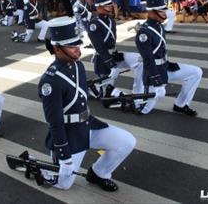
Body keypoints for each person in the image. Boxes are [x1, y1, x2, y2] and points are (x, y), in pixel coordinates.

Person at [38, 16, 136, 191]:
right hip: (68, 136)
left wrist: (107, 91)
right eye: (71, 45)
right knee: (64, 184)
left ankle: (99, 173)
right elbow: (55, 122)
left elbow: (81, 94)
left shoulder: (78, 66)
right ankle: (40, 168)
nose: (78, 49)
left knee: (127, 141)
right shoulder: (50, 82)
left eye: (77, 43)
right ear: (57, 48)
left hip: (87, 125)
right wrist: (64, 155)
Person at [135, 0, 202, 116]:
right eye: (161, 11)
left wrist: (168, 64)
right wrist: (157, 82)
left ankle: (180, 105)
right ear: (151, 12)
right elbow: (148, 60)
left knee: (196, 72)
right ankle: (119, 97)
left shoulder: (159, 26)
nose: (164, 13)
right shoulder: (144, 33)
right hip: (153, 74)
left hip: (165, 68)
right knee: (142, 110)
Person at [86, 0, 144, 100]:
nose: (110, 7)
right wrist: (111, 64)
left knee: (139, 60)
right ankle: (90, 90)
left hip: (114, 55)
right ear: (99, 7)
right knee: (105, 94)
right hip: (103, 60)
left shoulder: (111, 20)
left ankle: (138, 92)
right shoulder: (94, 24)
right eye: (107, 6)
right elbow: (100, 47)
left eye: (110, 4)